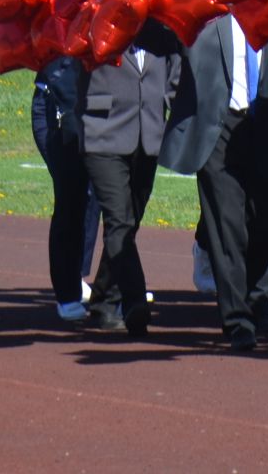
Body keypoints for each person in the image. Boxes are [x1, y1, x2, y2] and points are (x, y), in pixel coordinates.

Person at [159, 11, 268, 350]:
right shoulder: (205, 18)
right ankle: (236, 320)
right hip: (219, 130)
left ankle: (261, 295)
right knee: (227, 225)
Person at [79, 20, 184, 337]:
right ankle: (134, 300)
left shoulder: (161, 30)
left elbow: (176, 65)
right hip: (102, 134)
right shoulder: (95, 19)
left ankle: (103, 301)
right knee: (119, 219)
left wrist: (173, 98)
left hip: (148, 136)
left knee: (128, 221)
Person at [32, 50, 101, 323]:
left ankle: (91, 278)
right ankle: (68, 291)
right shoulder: (57, 7)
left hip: (99, 102)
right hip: (56, 104)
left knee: (100, 194)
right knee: (72, 195)